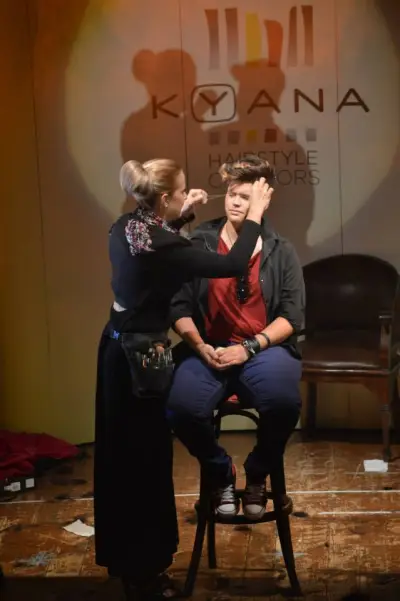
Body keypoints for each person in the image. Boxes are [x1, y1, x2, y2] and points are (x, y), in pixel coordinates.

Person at [93, 157, 273, 600]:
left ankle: (130, 564)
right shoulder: (163, 243)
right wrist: (256, 213)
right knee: (144, 463)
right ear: (163, 198)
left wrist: (181, 212)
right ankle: (144, 572)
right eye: (181, 192)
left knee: (122, 460)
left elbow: (159, 246)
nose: (187, 195)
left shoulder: (126, 226)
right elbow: (233, 262)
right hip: (139, 361)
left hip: (115, 352)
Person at [167, 155, 304, 522]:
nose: (236, 203)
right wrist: (199, 346)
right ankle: (221, 473)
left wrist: (249, 347)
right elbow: (178, 306)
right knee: (180, 408)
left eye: (246, 197)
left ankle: (257, 473)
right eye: (231, 194)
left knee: (284, 404)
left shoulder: (280, 249)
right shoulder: (201, 241)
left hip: (262, 349)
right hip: (208, 348)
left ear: (263, 200)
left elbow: (292, 317)